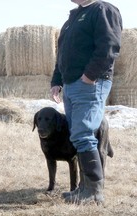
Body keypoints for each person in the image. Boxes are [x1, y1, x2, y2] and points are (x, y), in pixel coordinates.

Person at [50, 0, 122, 204]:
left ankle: (94, 192)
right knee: (78, 135)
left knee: (83, 134)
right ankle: (84, 188)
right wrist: (57, 81)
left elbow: (110, 45)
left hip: (90, 83)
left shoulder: (102, 10)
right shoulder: (72, 18)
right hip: (71, 84)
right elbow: (62, 55)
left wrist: (89, 76)